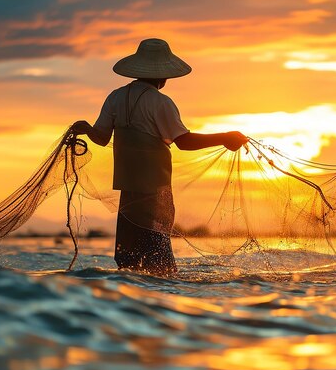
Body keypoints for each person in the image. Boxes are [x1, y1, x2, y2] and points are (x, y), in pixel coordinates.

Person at [72, 38, 248, 275]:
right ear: (163, 75)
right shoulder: (160, 102)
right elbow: (184, 142)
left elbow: (101, 138)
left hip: (127, 188)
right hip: (155, 190)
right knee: (160, 260)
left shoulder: (115, 97)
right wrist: (224, 137)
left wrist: (86, 128)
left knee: (129, 258)